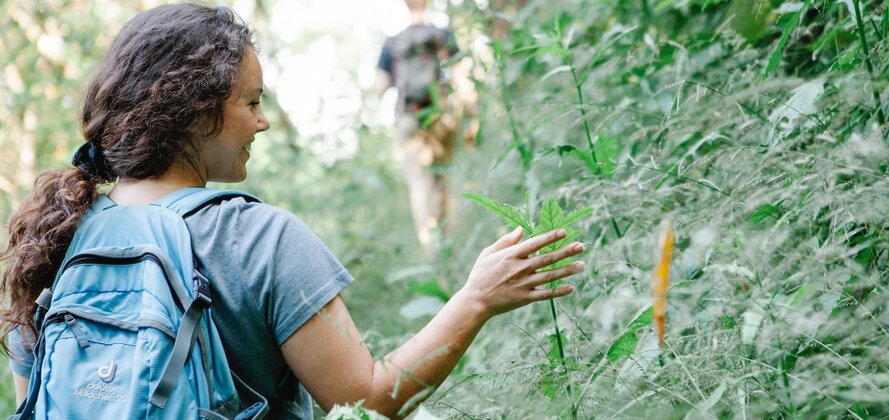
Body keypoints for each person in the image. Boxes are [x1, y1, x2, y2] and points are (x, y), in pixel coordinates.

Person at [0, 4, 584, 419]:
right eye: (251, 102)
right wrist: (475, 299)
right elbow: (367, 401)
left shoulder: (57, 236)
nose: (263, 121)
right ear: (197, 113)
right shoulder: (260, 238)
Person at [375, 0, 476, 251]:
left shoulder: (393, 42)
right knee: (444, 179)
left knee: (419, 182)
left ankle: (430, 249)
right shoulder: (442, 35)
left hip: (409, 118)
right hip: (441, 116)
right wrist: (472, 116)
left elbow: (379, 86)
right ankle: (450, 243)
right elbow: (461, 79)